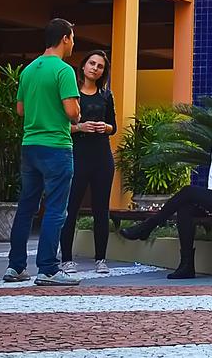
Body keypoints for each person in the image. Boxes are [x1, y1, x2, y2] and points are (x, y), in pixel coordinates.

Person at [120, 100, 212, 279]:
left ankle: (148, 226)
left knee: (189, 191)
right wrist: (210, 194)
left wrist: (211, 194)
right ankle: (186, 266)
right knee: (186, 209)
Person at [5, 18, 81, 286]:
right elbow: (72, 112)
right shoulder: (64, 70)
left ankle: (15, 267)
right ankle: (48, 268)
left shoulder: (28, 70)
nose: (73, 43)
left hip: (30, 145)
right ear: (64, 39)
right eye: (72, 38)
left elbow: (21, 110)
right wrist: (76, 114)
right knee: (56, 209)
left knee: (26, 207)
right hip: (56, 147)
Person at [59, 50, 117, 276]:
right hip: (77, 155)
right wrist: (80, 127)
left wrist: (106, 127)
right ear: (83, 67)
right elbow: (62, 125)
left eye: (100, 66)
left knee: (101, 209)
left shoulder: (106, 96)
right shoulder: (71, 95)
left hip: (102, 157)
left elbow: (114, 126)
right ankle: (66, 259)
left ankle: (101, 259)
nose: (95, 68)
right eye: (91, 63)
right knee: (70, 208)